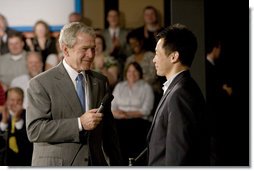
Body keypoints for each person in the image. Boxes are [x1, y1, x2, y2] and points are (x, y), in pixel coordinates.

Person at [26, 22, 122, 166]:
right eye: (84, 49)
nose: (90, 55)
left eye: (93, 49)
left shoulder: (100, 81)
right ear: (66, 50)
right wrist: (79, 123)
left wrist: (117, 166)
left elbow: (109, 132)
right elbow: (35, 130)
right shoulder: (41, 84)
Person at [147, 23, 209, 166]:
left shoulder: (180, 94)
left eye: (157, 54)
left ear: (174, 56)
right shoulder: (179, 88)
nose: (154, 59)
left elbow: (178, 154)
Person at [111, 62, 154, 165]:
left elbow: (146, 110)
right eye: (129, 71)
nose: (132, 73)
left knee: (132, 130)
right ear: (126, 73)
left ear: (140, 73)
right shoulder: (120, 86)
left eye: (135, 71)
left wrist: (127, 114)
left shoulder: (146, 87)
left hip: (139, 122)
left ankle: (134, 162)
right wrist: (118, 115)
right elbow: (112, 107)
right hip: (120, 121)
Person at [0, 87, 33, 166]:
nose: (15, 103)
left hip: (24, 161)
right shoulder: (1, 116)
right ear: (7, 100)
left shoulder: (28, 116)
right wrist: (4, 122)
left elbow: (28, 140)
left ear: (23, 101)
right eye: (12, 100)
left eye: (19, 100)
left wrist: (17, 119)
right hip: (4, 161)